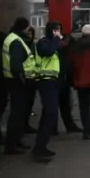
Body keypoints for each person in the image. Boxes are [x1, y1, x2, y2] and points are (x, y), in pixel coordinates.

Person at [31, 21, 63, 162]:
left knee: (48, 114)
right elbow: (48, 52)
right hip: (45, 81)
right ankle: (40, 148)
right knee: (50, 113)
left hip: (51, 81)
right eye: (57, 30)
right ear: (52, 31)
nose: (59, 32)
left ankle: (40, 145)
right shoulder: (44, 43)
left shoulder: (51, 43)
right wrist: (56, 39)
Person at [3, 17, 34, 154]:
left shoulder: (12, 37)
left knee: (18, 114)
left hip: (13, 81)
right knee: (16, 114)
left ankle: (16, 141)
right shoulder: (16, 41)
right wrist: (23, 79)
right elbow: (16, 66)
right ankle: (11, 145)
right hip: (17, 82)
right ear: (24, 27)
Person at [54, 34, 83, 136]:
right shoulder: (56, 51)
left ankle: (68, 126)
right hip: (56, 82)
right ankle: (55, 128)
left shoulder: (66, 51)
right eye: (64, 41)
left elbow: (69, 68)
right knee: (55, 107)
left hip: (62, 82)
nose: (66, 44)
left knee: (65, 106)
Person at [23, 26, 38, 135]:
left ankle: (26, 124)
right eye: (28, 34)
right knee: (24, 104)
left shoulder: (33, 45)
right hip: (24, 78)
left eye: (31, 34)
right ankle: (22, 125)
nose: (29, 36)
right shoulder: (22, 45)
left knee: (29, 104)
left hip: (32, 78)